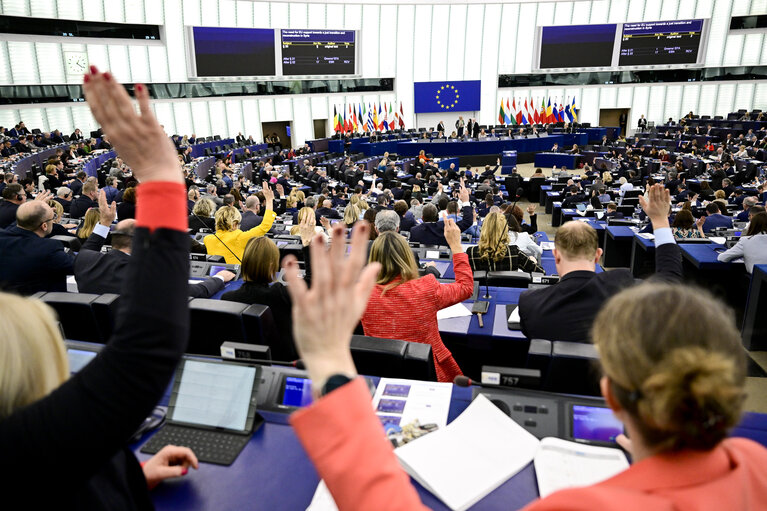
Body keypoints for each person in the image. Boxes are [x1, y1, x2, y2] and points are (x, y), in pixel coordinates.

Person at [284, 194, 767, 511]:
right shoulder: (755, 462)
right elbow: (667, 281)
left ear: (612, 395)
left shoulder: (572, 504)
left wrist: (328, 363)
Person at [0, 69, 203, 507]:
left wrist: (135, 475)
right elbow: (149, 342)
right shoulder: (32, 438)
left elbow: (70, 478)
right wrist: (162, 177)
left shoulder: (44, 452)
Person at [518, 185, 683, 342]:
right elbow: (670, 284)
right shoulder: (627, 290)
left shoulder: (530, 304)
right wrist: (660, 220)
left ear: (556, 256)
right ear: (598, 255)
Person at [361, 217, 473, 382]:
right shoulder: (427, 287)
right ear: (407, 256)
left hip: (379, 377)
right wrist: (456, 247)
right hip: (431, 376)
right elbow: (466, 287)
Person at [74, 191, 235, 297]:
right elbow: (195, 291)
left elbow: (90, 247)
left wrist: (105, 222)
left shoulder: (86, 261)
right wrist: (219, 278)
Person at [204, 184, 276, 264]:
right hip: (238, 275)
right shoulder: (240, 238)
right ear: (235, 223)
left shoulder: (207, 239)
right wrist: (269, 200)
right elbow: (265, 226)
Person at [465, 212, 543, 273]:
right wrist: (534, 262)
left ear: (483, 229)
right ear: (505, 229)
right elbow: (541, 273)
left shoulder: (471, 253)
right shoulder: (514, 252)